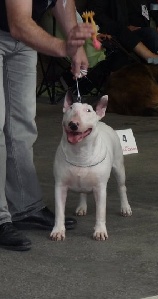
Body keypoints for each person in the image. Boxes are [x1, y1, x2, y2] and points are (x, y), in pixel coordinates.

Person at [0, 0, 94, 251]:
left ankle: (25, 206)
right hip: (16, 27)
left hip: (22, 38)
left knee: (22, 125)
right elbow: (19, 24)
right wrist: (63, 46)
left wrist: (75, 47)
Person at [89, 0, 158, 76]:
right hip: (125, 35)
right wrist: (123, 28)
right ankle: (153, 77)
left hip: (149, 32)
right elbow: (96, 13)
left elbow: (156, 9)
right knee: (151, 35)